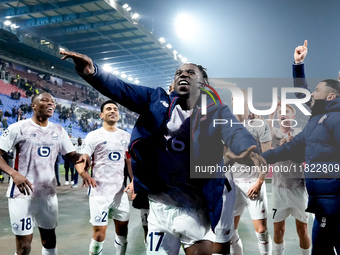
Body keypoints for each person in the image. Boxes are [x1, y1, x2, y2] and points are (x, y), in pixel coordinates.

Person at [60, 50, 267, 255]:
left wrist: (248, 149)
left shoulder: (216, 112)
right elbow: (120, 89)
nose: (183, 75)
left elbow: (236, 132)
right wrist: (91, 71)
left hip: (195, 207)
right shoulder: (155, 99)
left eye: (190, 73)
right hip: (159, 207)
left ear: (204, 84)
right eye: (179, 73)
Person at [261, 40, 340, 255]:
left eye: (316, 90)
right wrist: (298, 65)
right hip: (321, 204)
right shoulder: (317, 120)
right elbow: (289, 149)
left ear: (331, 96)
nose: (311, 94)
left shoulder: (335, 118)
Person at [0, 92, 91, 255]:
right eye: (44, 100)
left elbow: (71, 156)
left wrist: (82, 157)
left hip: (48, 194)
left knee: (49, 241)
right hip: (22, 194)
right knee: (24, 247)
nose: (51, 104)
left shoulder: (59, 130)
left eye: (53, 102)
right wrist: (14, 173)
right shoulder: (18, 128)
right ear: (33, 105)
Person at [75, 100, 133, 255]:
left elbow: (129, 163)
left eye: (115, 109)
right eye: (108, 109)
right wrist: (84, 173)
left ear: (119, 115)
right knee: (99, 234)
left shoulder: (126, 137)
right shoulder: (94, 136)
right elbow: (81, 159)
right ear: (101, 115)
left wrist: (134, 181)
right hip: (99, 193)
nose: (112, 111)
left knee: (122, 232)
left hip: (120, 193)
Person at [227, 90, 272, 255]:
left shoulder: (259, 124)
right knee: (230, 230)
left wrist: (260, 181)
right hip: (232, 185)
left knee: (261, 231)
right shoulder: (225, 124)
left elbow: (267, 156)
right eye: (234, 98)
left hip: (253, 183)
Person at [267, 103, 311, 255]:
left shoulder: (299, 133)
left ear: (293, 117)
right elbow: (268, 127)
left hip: (299, 188)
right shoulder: (274, 134)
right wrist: (272, 112)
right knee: (278, 231)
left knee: (302, 229)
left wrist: (293, 146)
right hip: (279, 189)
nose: (283, 115)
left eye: (287, 112)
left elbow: (306, 153)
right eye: (281, 113)